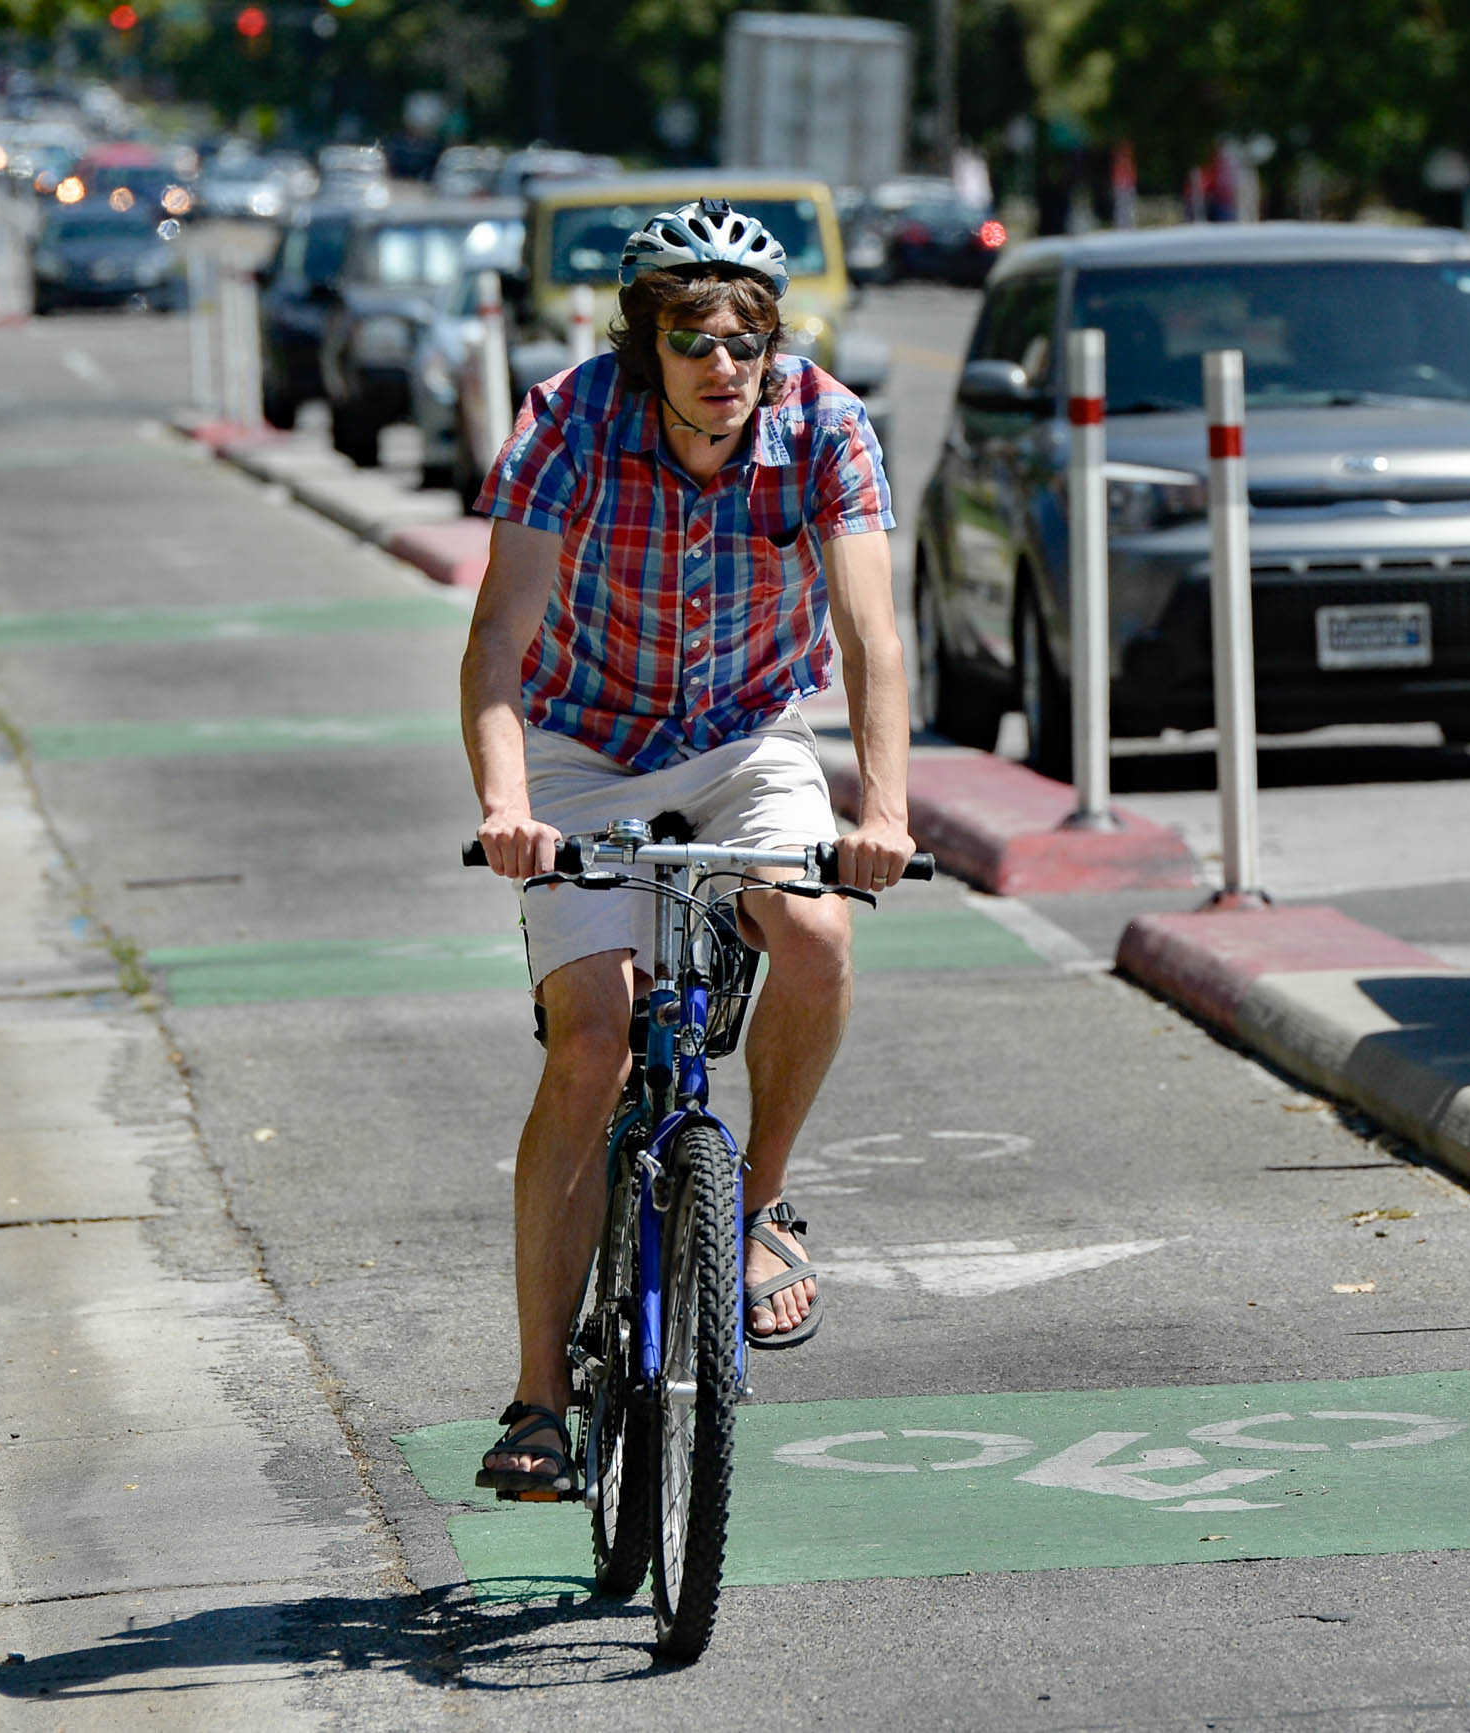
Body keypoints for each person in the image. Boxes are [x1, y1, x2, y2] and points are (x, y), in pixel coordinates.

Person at [457, 201, 914, 1497]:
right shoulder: (569, 420)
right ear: (643, 343)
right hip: (581, 743)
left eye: (746, 340)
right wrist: (509, 803)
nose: (723, 365)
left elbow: (873, 635)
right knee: (595, 1036)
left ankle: (754, 1203)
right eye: (690, 339)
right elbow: (497, 641)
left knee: (816, 930)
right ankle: (540, 1399)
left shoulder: (825, 424)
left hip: (745, 734)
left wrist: (881, 810)